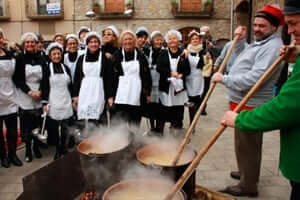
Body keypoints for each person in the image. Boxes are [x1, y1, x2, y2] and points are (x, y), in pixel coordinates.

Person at [221, 1, 300, 199]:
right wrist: (238, 41)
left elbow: (256, 78)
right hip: (241, 100)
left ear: (274, 27)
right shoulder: (260, 43)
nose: (256, 29)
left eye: (261, 26)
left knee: (249, 145)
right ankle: (245, 172)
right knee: (243, 144)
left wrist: (225, 79)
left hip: (252, 102)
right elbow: (241, 57)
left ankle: (248, 184)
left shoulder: (273, 45)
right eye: (255, 25)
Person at [14, 32, 46, 163]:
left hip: (38, 95)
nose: (30, 44)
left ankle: (36, 147)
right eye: (27, 42)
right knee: (26, 126)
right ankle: (28, 149)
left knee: (37, 124)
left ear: (36, 43)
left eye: (32, 42)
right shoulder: (19, 58)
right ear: (24, 44)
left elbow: (45, 78)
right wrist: (29, 92)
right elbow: (17, 79)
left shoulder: (41, 58)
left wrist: (40, 91)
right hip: (25, 95)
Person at [111, 30, 152, 127]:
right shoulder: (116, 56)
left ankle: (134, 141)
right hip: (120, 95)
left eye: (130, 39)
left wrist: (147, 93)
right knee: (120, 123)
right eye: (125, 39)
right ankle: (120, 141)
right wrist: (111, 95)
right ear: (122, 41)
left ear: (134, 41)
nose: (128, 42)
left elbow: (146, 75)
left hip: (137, 94)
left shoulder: (141, 56)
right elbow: (112, 77)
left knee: (135, 123)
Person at [73, 32, 114, 125]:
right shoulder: (81, 58)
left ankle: (100, 137)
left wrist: (110, 96)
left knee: (99, 118)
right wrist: (75, 95)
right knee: (85, 119)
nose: (93, 44)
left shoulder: (104, 58)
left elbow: (109, 78)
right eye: (91, 42)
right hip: (85, 91)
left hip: (99, 90)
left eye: (96, 42)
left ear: (99, 44)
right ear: (87, 44)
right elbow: (77, 78)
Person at [41, 42, 73, 160]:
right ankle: (58, 149)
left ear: (61, 54)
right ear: (50, 56)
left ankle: (63, 147)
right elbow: (44, 86)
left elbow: (71, 85)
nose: (56, 56)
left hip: (66, 98)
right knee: (55, 127)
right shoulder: (46, 68)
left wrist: (74, 99)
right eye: (54, 54)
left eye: (58, 54)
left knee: (65, 126)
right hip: (53, 100)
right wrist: (44, 103)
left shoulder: (66, 68)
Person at [156, 30, 190, 135]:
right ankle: (160, 131)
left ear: (178, 40)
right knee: (164, 110)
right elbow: (159, 68)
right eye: (170, 39)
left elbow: (188, 69)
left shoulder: (183, 53)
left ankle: (176, 129)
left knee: (178, 110)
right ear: (167, 41)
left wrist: (181, 75)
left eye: (174, 38)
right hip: (166, 87)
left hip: (178, 88)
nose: (172, 40)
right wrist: (170, 73)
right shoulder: (163, 53)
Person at [0, 28, 21, 168]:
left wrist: (15, 49)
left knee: (12, 131)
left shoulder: (9, 53)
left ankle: (12, 154)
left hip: (10, 95)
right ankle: (3, 156)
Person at [143, 31, 164, 134]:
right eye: (157, 39)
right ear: (152, 41)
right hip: (150, 82)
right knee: (151, 107)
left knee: (160, 107)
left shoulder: (165, 51)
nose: (159, 41)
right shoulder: (147, 51)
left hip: (161, 82)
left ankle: (160, 129)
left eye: (160, 39)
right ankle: (152, 128)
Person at [185, 30, 205, 125]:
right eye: (193, 39)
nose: (195, 40)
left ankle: (194, 121)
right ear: (190, 41)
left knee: (197, 100)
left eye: (196, 38)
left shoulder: (202, 51)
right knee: (190, 101)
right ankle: (191, 121)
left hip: (198, 79)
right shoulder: (186, 50)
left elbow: (202, 65)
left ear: (199, 40)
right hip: (189, 78)